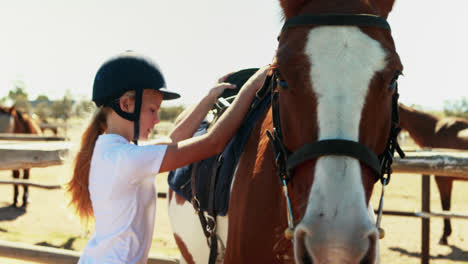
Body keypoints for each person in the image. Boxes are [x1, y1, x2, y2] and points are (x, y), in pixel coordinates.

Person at [66, 51, 269, 264]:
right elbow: (213, 143)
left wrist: (209, 98)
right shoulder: (126, 159)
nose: (156, 120)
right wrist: (252, 86)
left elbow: (173, 141)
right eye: (152, 110)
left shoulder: (111, 150)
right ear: (126, 105)